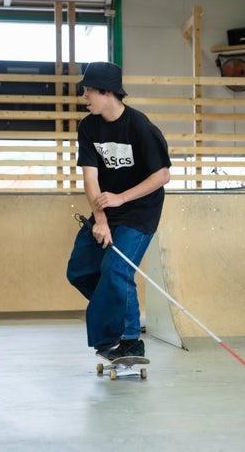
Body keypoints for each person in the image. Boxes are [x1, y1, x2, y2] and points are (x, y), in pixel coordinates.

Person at [66, 61, 171, 361]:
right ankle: (114, 317)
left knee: (116, 269)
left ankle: (130, 340)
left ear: (107, 92)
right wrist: (100, 219)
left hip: (140, 211)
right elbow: (90, 178)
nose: (84, 96)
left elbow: (162, 176)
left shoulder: (140, 127)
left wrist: (122, 198)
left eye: (88, 91)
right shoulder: (88, 127)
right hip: (106, 209)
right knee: (79, 270)